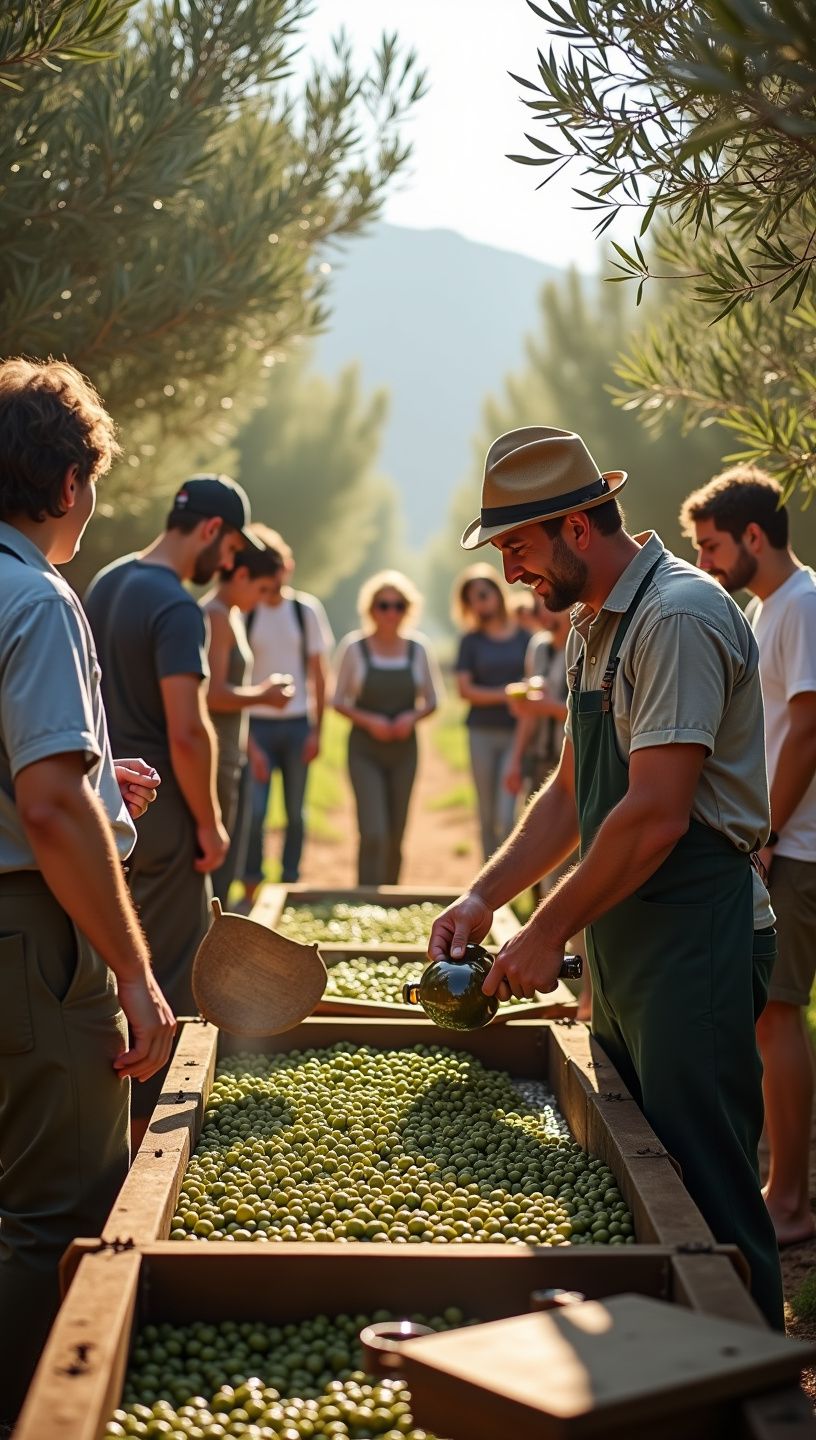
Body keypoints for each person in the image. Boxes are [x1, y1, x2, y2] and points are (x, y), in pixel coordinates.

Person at [429, 424, 784, 1329]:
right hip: (631, 933)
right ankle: (668, 1373)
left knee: (707, 1187)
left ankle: (748, 1384)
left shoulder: (677, 617)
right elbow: (575, 795)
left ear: (578, 527)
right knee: (649, 1176)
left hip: (693, 931)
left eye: (517, 547)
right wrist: (488, 896)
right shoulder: (595, 624)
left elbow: (659, 811)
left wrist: (549, 931)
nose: (512, 572)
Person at [0, 358, 175, 1421]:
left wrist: (97, 781)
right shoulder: (38, 596)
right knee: (54, 1216)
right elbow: (50, 813)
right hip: (30, 941)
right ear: (68, 484)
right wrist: (138, 975)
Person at [85, 473, 255, 1138]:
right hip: (161, 811)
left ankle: (104, 1113)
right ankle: (152, 1134)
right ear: (212, 531)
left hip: (103, 804)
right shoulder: (177, 607)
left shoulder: (108, 581)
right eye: (232, 546)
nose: (231, 563)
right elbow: (187, 729)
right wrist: (210, 823)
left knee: (112, 964)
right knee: (171, 973)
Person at [681, 467, 816, 1248]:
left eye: (712, 547)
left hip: (796, 846)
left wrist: (766, 831)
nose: (705, 563)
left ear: (753, 538)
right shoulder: (770, 610)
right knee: (769, 1012)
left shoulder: (799, 607)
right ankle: (778, 1183)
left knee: (778, 1012)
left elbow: (807, 728)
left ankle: (790, 1201)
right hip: (779, 839)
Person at [200, 527, 294, 905]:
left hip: (230, 754)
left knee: (229, 863)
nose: (265, 601)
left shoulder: (233, 614)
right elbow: (210, 694)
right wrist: (264, 696)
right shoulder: (217, 616)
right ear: (241, 576)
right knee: (217, 865)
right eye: (263, 590)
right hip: (216, 756)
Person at [333, 570, 442, 884]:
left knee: (396, 834)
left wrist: (411, 718)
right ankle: (365, 899)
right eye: (383, 605)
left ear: (408, 609)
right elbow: (338, 701)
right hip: (364, 749)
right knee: (374, 831)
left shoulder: (418, 649)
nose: (391, 612)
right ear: (371, 609)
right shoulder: (354, 648)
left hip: (405, 750)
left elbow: (433, 700)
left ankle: (391, 901)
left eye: (398, 605)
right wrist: (372, 721)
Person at [241, 530, 333, 893]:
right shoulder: (246, 613)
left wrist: (317, 730)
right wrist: (248, 740)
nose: (276, 576)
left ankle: (290, 883)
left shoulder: (305, 610)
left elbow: (319, 674)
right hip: (257, 725)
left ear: (288, 568)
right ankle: (250, 885)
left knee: (295, 812)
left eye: (280, 567)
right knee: (256, 813)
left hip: (297, 725)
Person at [453, 564, 528, 859]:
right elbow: (465, 691)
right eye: (471, 599)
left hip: (518, 734)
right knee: (486, 814)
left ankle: (508, 884)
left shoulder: (525, 636)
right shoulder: (470, 641)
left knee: (507, 814)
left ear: (498, 593)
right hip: (480, 733)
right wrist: (506, 693)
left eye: (483, 594)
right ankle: (487, 891)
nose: (479, 602)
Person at [504, 595, 570, 803]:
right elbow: (531, 712)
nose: (541, 614)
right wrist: (515, 761)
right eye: (537, 608)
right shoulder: (539, 646)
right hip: (540, 758)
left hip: (573, 761)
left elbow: (596, 718)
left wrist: (548, 707)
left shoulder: (586, 645)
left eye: (549, 606)